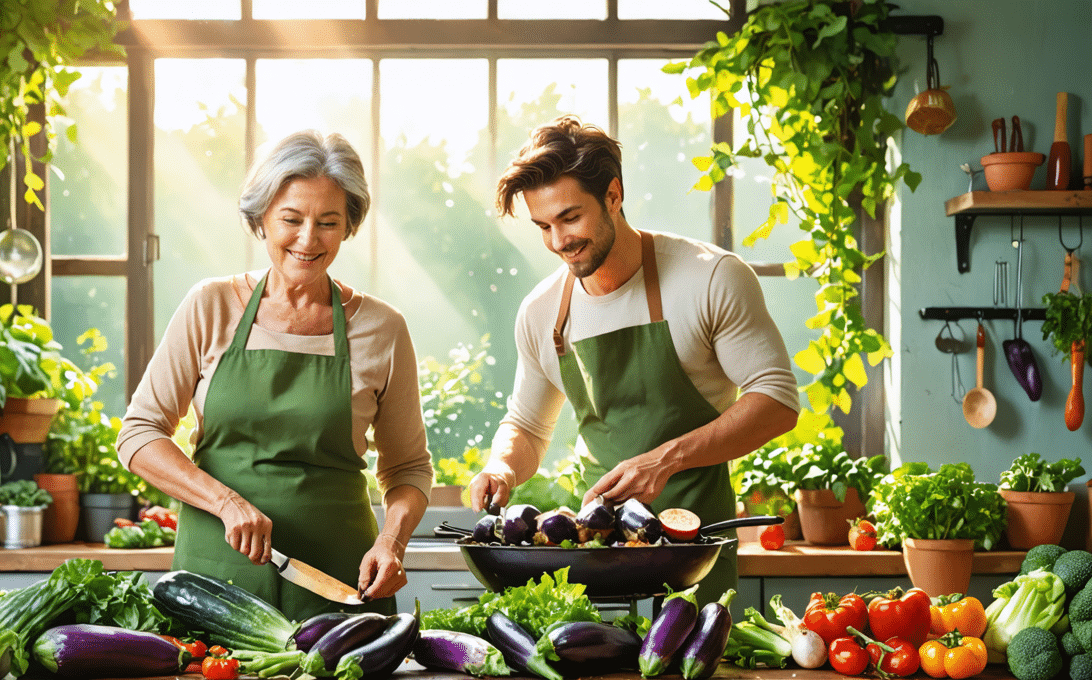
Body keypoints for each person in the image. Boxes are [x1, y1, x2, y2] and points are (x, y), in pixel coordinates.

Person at [467, 116, 799, 603]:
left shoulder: (709, 278)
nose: (558, 242)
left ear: (613, 195)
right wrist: (501, 468)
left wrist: (665, 460)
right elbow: (528, 426)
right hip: (592, 557)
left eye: (570, 218)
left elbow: (777, 400)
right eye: (543, 226)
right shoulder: (542, 312)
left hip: (693, 556)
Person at [118, 130, 433, 620]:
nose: (308, 239)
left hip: (338, 582)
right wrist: (224, 502)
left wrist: (391, 541)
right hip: (215, 580)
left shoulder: (382, 328)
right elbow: (139, 434)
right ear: (261, 217)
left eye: (328, 222)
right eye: (291, 219)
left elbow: (409, 467)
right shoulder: (210, 306)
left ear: (348, 226)